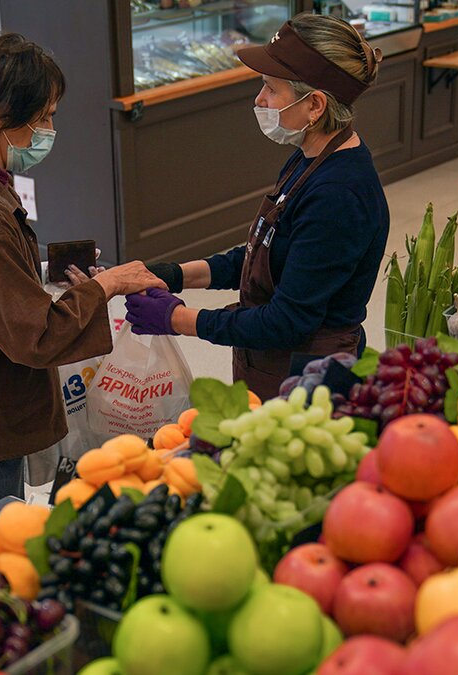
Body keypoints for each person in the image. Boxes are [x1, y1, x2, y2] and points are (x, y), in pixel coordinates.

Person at [0, 33, 164, 519]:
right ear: (2, 118)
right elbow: (37, 336)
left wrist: (36, 271)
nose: (47, 130)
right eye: (41, 117)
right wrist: (106, 285)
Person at [126, 14, 390, 400]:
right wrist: (170, 275)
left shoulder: (338, 195)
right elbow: (262, 256)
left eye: (270, 88)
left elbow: (288, 322)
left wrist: (177, 318)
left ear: (314, 104)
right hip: (273, 367)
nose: (259, 100)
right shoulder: (309, 156)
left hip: (307, 382)